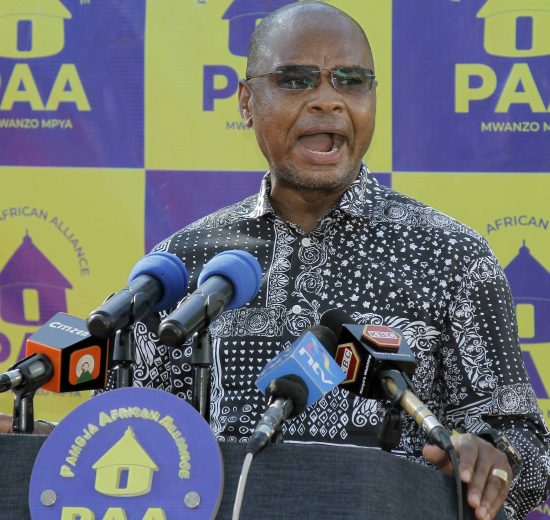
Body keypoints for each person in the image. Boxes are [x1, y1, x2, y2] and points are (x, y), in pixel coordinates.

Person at [1, 2, 548, 519]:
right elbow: (128, 437)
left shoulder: (451, 256)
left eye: (351, 80)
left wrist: (493, 461)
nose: (328, 100)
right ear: (246, 102)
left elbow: (529, 452)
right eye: (296, 79)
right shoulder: (181, 265)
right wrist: (41, 449)